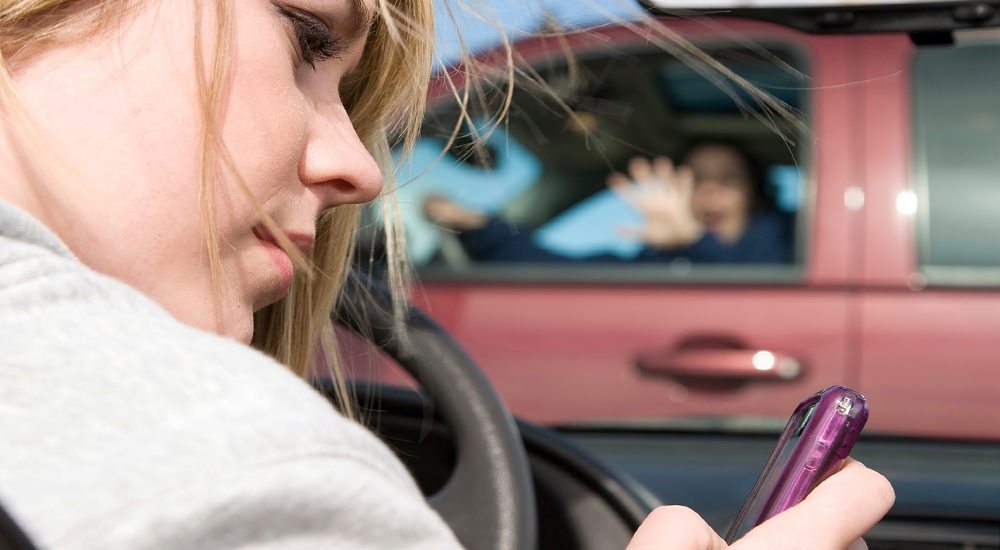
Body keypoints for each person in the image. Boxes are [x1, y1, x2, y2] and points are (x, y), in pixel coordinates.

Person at [0, 1, 891, 549]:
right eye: (308, 36)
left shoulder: (771, 242)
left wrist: (690, 246)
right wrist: (495, 225)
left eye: (724, 185)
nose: (363, 170)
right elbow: (555, 261)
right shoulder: (246, 471)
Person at [423, 141, 795, 264]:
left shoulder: (792, 240)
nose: (710, 191)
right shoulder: (656, 265)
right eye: (696, 180)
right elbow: (551, 269)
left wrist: (693, 240)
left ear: (757, 198)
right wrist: (475, 222)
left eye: (729, 179)